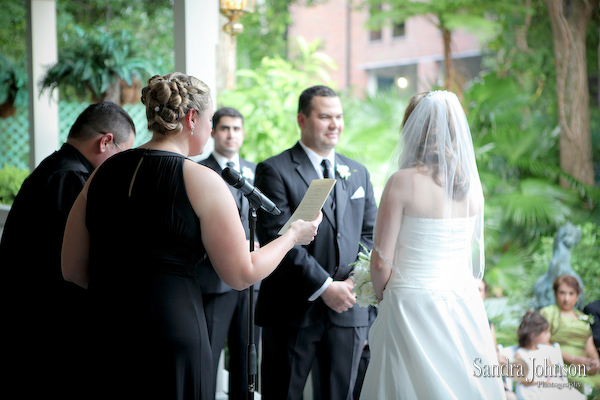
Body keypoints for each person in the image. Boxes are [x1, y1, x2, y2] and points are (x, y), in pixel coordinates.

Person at [61, 72, 321, 400]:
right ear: (192, 118)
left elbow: (71, 268)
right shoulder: (202, 179)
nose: (212, 130)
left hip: (104, 329)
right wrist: (292, 235)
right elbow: (241, 275)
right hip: (170, 331)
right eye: (211, 120)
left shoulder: (100, 172)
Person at [360, 90, 506, 399]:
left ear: (411, 128)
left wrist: (383, 297)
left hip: (410, 303)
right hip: (463, 298)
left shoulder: (402, 181)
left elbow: (380, 261)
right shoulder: (472, 187)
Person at [0, 101, 136, 398]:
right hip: (50, 326)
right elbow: (74, 257)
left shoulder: (54, 168)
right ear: (106, 142)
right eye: (123, 155)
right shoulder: (70, 180)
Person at [254, 85, 378, 400]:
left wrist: (352, 283)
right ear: (302, 119)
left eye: (338, 116)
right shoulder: (274, 170)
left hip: (348, 310)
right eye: (325, 116)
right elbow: (276, 237)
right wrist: (325, 287)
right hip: (292, 309)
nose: (334, 124)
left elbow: (370, 233)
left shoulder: (358, 173)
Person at [198, 106, 260, 399]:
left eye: (236, 128)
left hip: (251, 284)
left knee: (246, 358)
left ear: (243, 133)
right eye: (225, 128)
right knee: (209, 355)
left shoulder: (255, 170)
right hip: (214, 281)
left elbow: (266, 220)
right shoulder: (200, 171)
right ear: (212, 132)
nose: (231, 134)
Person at [540, 275, 600, 391]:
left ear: (577, 296)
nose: (566, 298)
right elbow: (542, 343)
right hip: (560, 364)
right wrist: (573, 359)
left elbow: (590, 346)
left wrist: (596, 362)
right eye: (562, 293)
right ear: (555, 294)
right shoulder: (547, 313)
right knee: (589, 387)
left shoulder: (582, 317)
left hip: (585, 366)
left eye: (571, 293)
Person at [514, 310, 586, 400]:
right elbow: (523, 380)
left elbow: (552, 370)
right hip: (531, 388)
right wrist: (543, 382)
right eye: (546, 332)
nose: (549, 335)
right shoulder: (520, 354)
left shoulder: (544, 351)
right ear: (534, 334)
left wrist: (555, 380)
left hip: (548, 384)